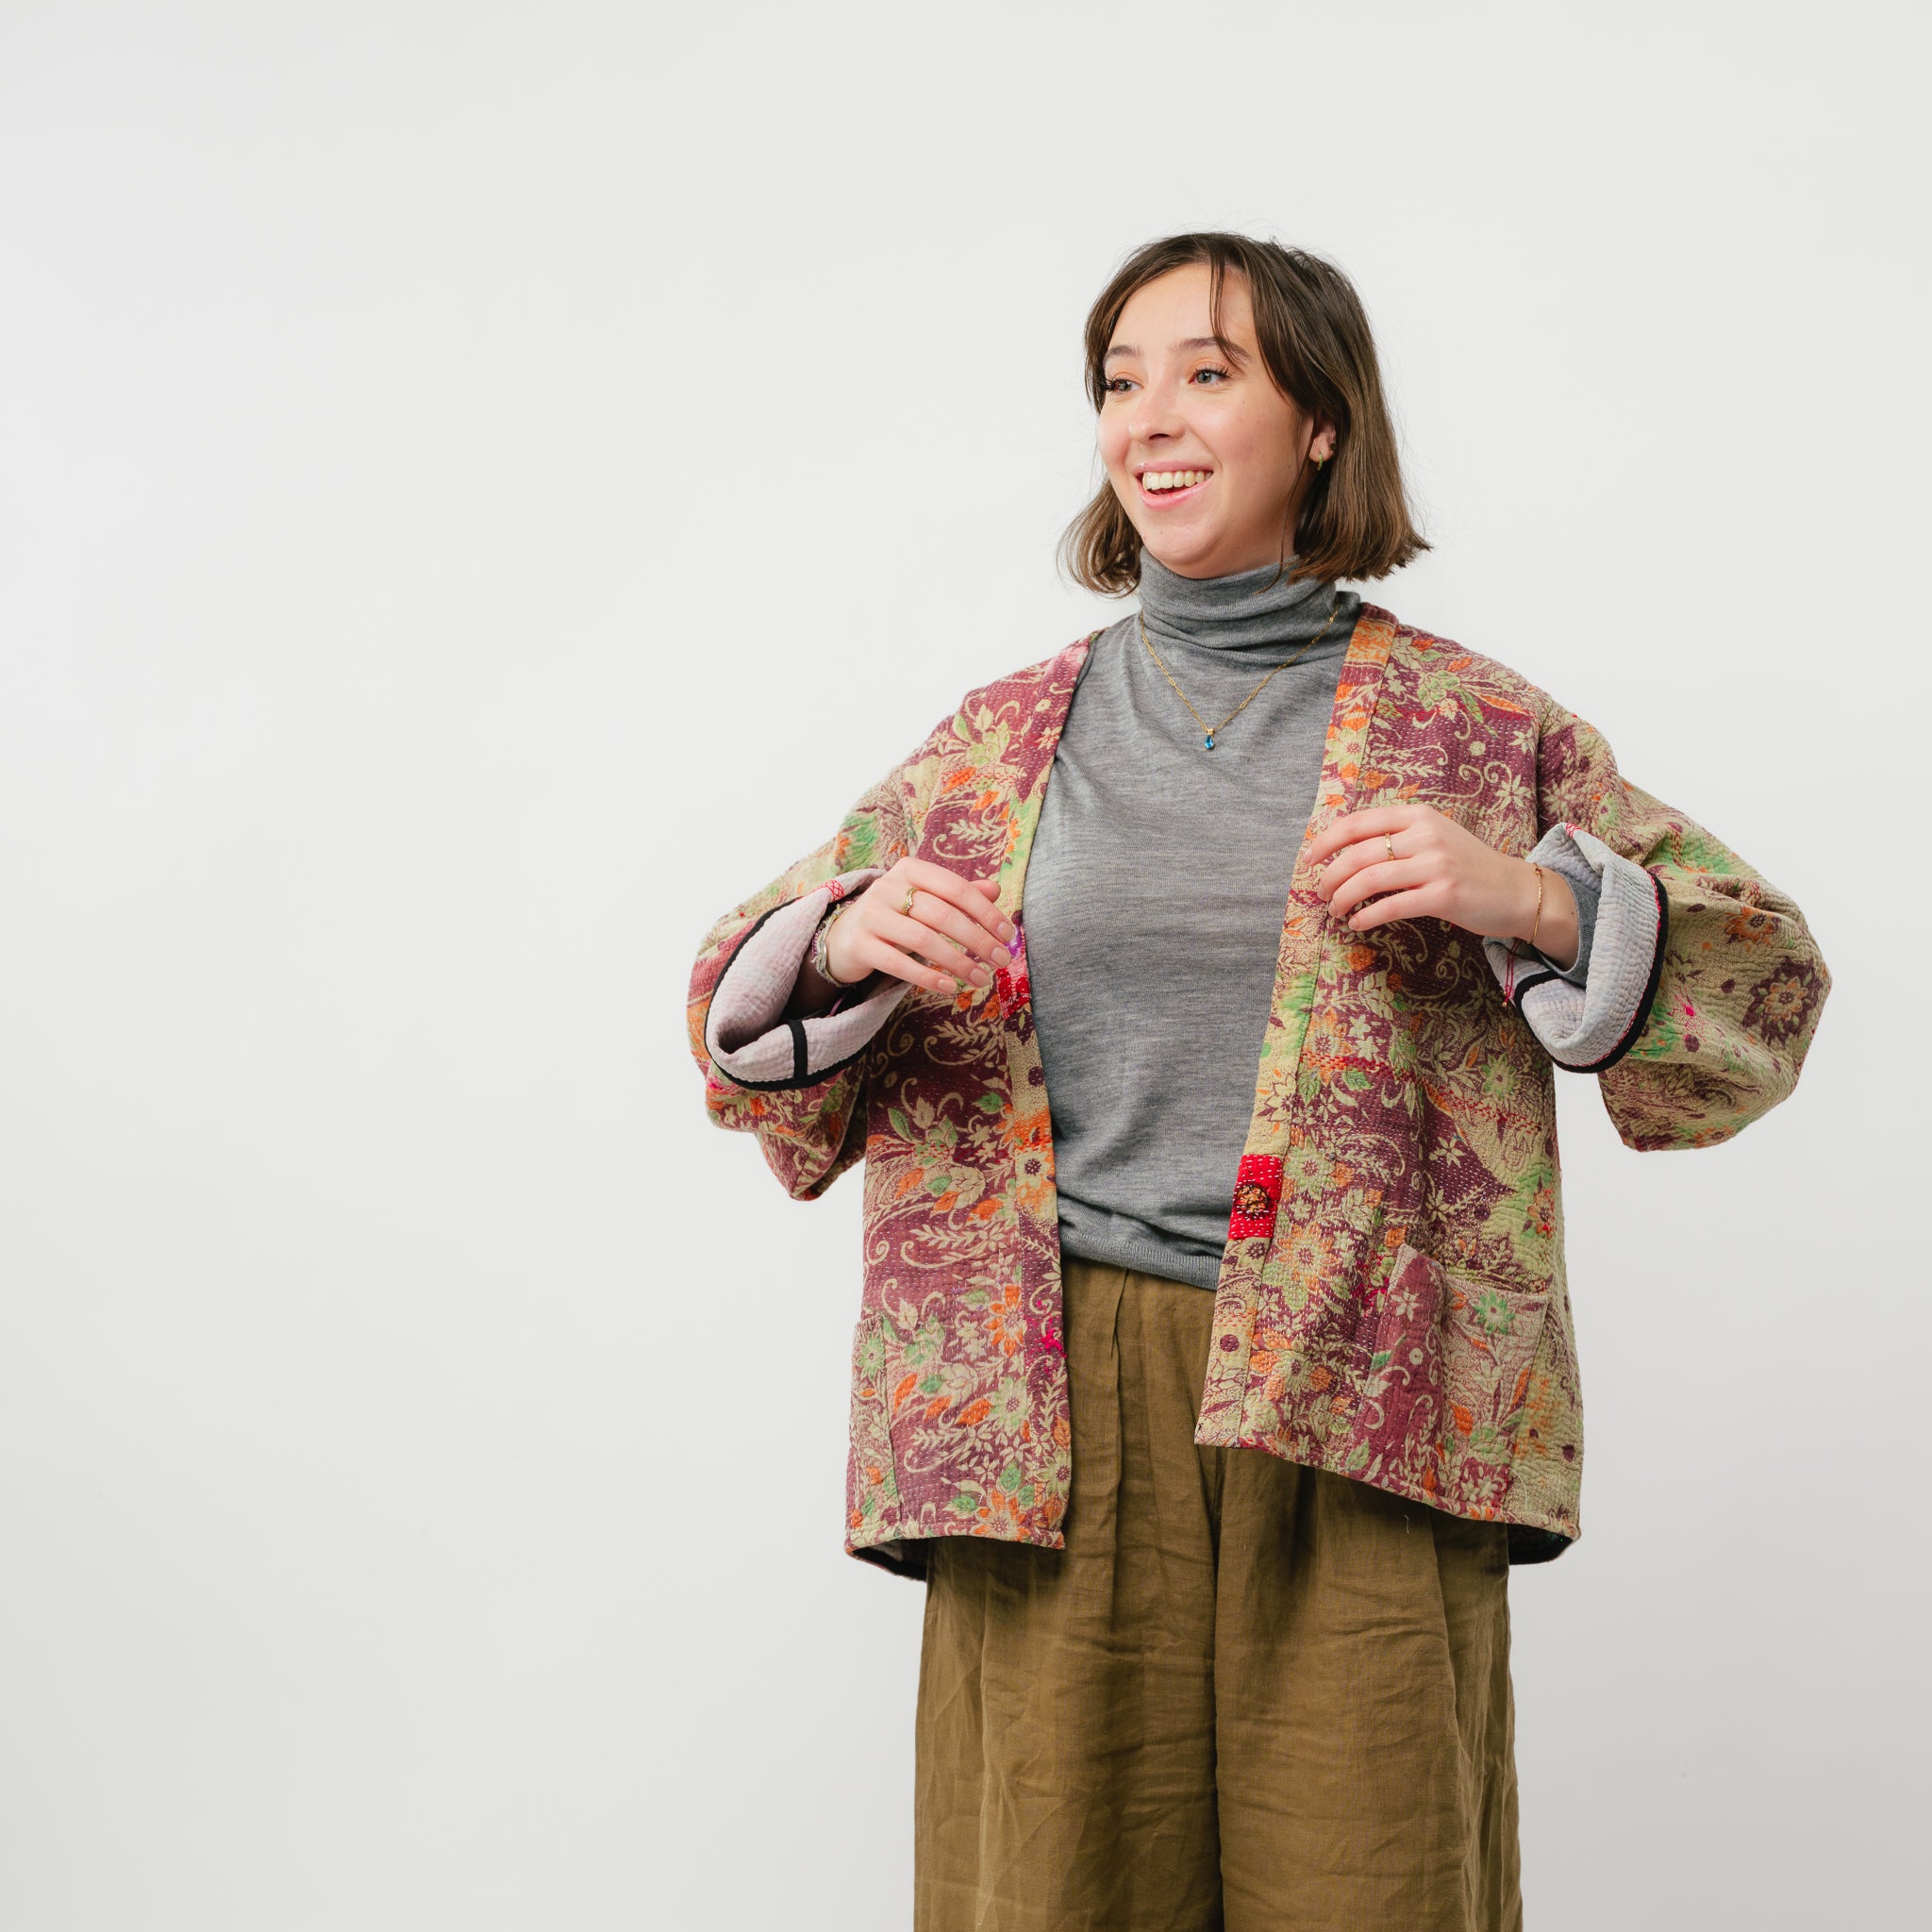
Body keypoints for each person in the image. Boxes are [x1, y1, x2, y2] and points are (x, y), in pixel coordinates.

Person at [685, 232, 1829, 1932]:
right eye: (1119, 380)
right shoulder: (1000, 743)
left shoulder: (1476, 731)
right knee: (1051, 1893)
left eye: (1205, 372)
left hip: (1371, 1390)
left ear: (1318, 422)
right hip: (1049, 1412)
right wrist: (845, 943)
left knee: (1377, 1889)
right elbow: (736, 1010)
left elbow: (1765, 1000)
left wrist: (1534, 895)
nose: (1149, 418)